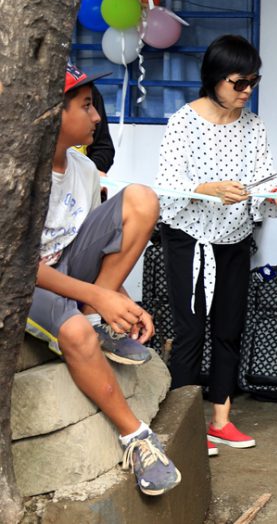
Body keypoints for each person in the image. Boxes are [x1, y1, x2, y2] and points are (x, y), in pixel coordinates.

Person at [26, 63, 180, 496]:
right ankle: (138, 439)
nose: (97, 118)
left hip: (69, 274)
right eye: (87, 106)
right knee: (75, 332)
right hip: (25, 283)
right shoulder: (20, 174)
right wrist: (99, 296)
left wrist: (120, 302)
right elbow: (21, 266)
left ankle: (97, 317)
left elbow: (95, 248)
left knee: (142, 198)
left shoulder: (84, 169)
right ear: (53, 113)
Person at [156, 34, 277, 458]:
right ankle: (184, 428)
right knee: (190, 332)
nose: (247, 90)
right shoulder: (184, 121)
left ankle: (220, 420)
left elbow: (265, 180)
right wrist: (205, 188)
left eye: (253, 81)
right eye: (239, 82)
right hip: (189, 239)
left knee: (229, 329)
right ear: (215, 78)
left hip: (234, 238)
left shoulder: (253, 126)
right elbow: (165, 187)